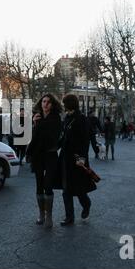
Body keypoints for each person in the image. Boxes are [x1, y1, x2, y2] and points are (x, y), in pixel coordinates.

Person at [58, 94, 97, 226]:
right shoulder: (67, 118)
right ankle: (70, 217)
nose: (63, 106)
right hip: (66, 159)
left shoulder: (82, 119)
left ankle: (86, 204)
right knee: (66, 189)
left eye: (64, 103)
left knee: (79, 189)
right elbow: (63, 137)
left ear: (69, 104)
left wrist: (81, 159)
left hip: (77, 159)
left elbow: (85, 141)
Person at [26, 94, 62, 229]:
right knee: (39, 184)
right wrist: (34, 124)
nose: (45, 104)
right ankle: (41, 214)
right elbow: (34, 137)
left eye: (48, 102)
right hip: (38, 155)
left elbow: (51, 137)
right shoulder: (37, 117)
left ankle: (49, 216)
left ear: (52, 105)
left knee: (48, 185)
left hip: (51, 154)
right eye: (43, 102)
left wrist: (38, 124)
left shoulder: (56, 118)